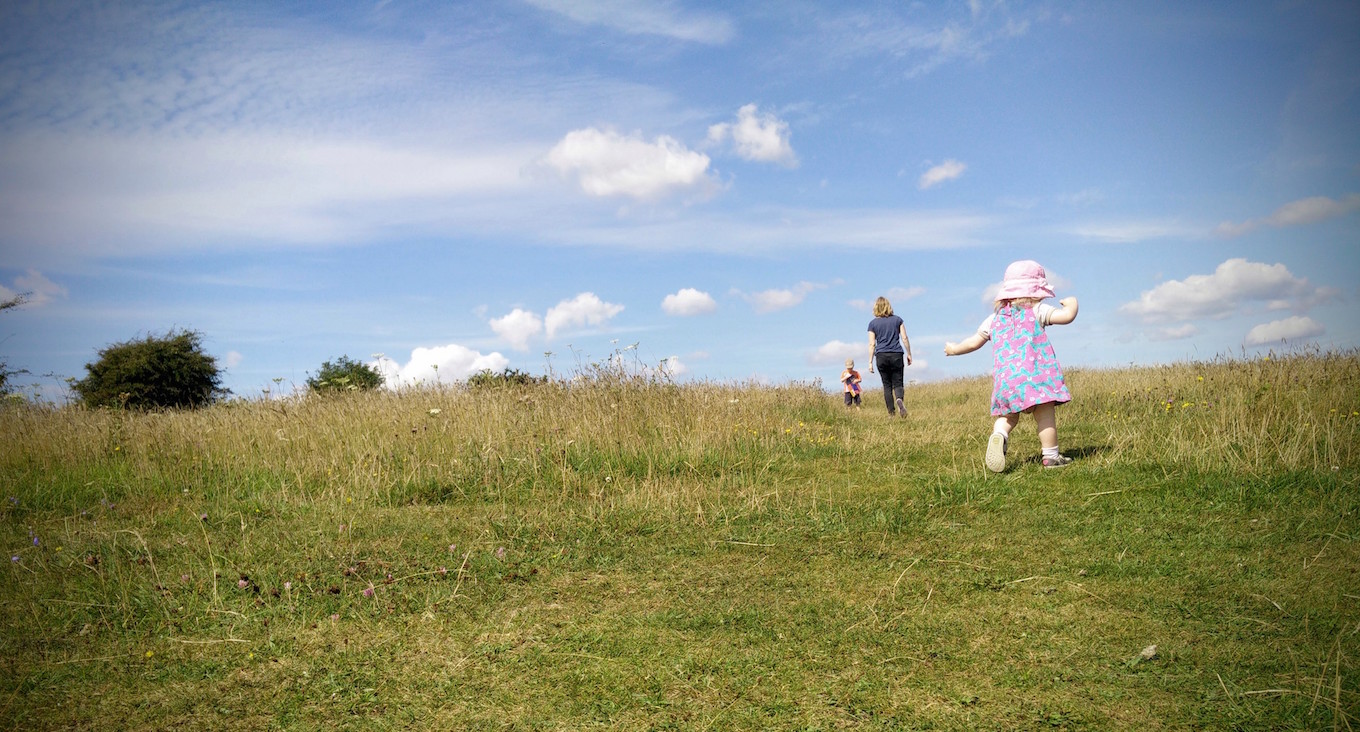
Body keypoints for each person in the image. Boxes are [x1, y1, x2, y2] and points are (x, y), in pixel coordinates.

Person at [944, 260, 1078, 471]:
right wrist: (1072, 305)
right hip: (1036, 378)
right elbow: (1066, 317)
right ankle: (1051, 457)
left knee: (1008, 417)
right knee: (1044, 413)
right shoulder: (1037, 310)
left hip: (1006, 382)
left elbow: (973, 342)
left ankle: (999, 435)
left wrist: (954, 349)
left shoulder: (994, 319)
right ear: (1036, 290)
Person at [867, 296, 913, 417]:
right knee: (898, 383)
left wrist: (870, 362)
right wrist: (909, 353)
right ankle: (899, 399)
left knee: (886, 385)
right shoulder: (898, 320)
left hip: (881, 355)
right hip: (896, 354)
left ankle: (891, 414)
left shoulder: (872, 324)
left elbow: (872, 344)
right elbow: (904, 338)